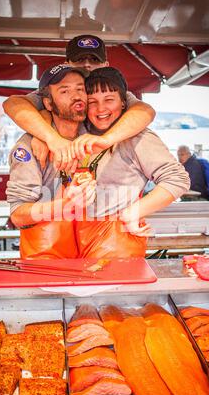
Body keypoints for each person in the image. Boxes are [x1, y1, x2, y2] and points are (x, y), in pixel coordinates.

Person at [73, 67, 190, 258]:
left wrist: (133, 213)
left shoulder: (138, 138)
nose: (101, 109)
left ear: (124, 103)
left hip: (118, 241)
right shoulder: (82, 133)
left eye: (109, 100)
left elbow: (178, 179)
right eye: (92, 102)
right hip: (80, 239)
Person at [3, 34, 155, 171]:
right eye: (80, 59)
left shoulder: (112, 91)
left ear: (105, 64)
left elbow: (145, 111)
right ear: (67, 63)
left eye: (94, 59)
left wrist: (106, 140)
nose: (87, 64)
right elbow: (12, 104)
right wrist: (50, 137)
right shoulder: (58, 91)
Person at [6, 64, 95, 259]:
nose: (77, 96)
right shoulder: (28, 147)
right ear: (47, 103)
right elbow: (18, 215)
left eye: (80, 89)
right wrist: (66, 205)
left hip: (91, 259)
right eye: (65, 91)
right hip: (46, 261)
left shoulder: (95, 136)